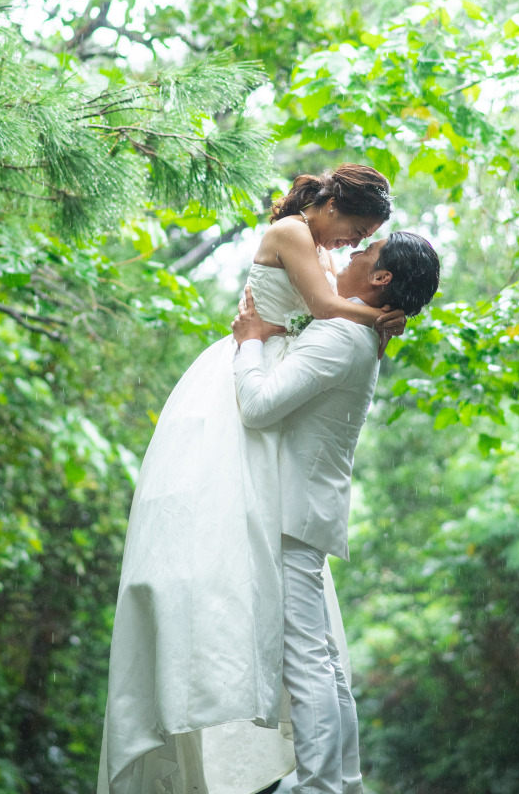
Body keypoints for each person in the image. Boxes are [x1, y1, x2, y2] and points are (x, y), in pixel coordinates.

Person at [98, 165, 407, 794]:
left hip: (262, 369)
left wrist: (370, 319)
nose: (351, 243)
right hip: (242, 374)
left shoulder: (319, 252)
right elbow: (322, 308)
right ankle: (290, 753)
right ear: (332, 205)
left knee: (295, 632)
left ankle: (303, 764)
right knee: (232, 571)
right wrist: (379, 317)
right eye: (356, 229)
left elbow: (324, 316)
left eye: (365, 240)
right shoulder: (295, 231)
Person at [231, 231, 441, 794]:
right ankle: (339, 780)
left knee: (306, 659)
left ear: (381, 280)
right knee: (320, 656)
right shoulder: (361, 332)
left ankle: (322, 785)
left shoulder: (345, 337)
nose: (351, 253)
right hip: (307, 509)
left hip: (293, 511)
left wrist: (250, 340)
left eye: (365, 253)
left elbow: (257, 407)